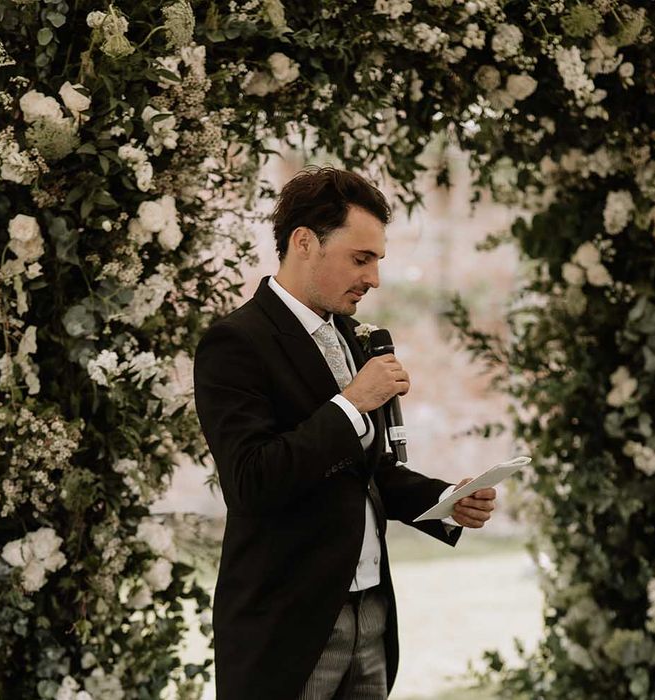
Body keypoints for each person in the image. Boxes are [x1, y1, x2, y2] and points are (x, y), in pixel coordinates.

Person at [193, 166, 497, 700]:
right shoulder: (235, 343)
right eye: (361, 259)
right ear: (304, 243)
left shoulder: (355, 338)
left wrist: (446, 499)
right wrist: (354, 402)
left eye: (377, 261)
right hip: (290, 623)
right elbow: (251, 480)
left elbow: (366, 471)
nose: (374, 278)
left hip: (372, 612)